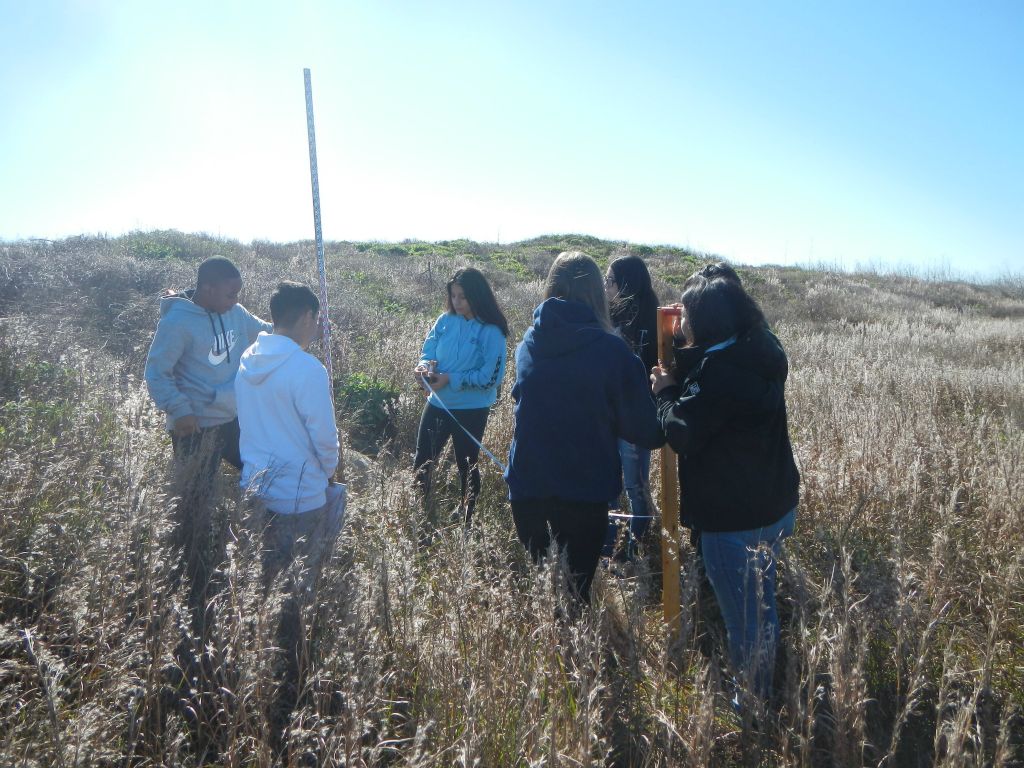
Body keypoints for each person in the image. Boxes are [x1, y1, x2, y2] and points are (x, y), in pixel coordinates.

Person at [650, 266, 800, 702]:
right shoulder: (760, 348)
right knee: (762, 601)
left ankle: (752, 704)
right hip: (774, 504)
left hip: (733, 520)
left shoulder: (720, 373)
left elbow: (682, 431)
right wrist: (686, 346)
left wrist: (664, 393)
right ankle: (764, 685)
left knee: (746, 620)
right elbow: (711, 380)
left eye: (690, 317)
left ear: (707, 322)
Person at [505, 252, 663, 601]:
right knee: (574, 600)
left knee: (549, 596)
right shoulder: (613, 351)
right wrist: (665, 395)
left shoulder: (527, 344)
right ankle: (572, 653)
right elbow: (648, 432)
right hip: (583, 493)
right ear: (596, 294)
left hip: (527, 489)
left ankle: (550, 652)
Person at [234, 281, 345, 740]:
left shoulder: (247, 360)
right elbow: (324, 439)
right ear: (304, 317)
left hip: (258, 488)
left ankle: (265, 646)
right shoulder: (306, 370)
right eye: (316, 319)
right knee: (303, 581)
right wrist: (330, 470)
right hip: (301, 493)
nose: (319, 327)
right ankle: (296, 664)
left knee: (269, 573)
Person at [144, 256, 271, 629]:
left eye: (238, 293)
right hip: (194, 428)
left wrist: (297, 327)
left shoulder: (235, 312)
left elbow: (262, 330)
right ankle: (190, 568)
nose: (236, 299)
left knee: (260, 471)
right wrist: (179, 410)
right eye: (231, 293)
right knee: (194, 500)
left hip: (233, 420)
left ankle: (255, 537)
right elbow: (157, 373)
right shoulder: (177, 322)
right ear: (207, 288)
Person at [412, 267, 509, 526]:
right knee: (423, 461)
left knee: (467, 466)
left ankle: (466, 521)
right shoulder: (444, 321)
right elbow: (428, 349)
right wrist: (423, 367)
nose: (456, 302)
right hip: (438, 403)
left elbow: (490, 378)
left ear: (478, 296)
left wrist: (450, 379)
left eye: (463, 297)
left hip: (471, 409)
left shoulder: (492, 332)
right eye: (453, 296)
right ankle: (421, 516)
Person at [603, 255, 660, 561]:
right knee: (609, 483)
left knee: (635, 484)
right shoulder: (605, 316)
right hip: (606, 414)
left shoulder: (651, 321)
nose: (606, 287)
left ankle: (636, 548)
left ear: (625, 283)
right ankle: (610, 549)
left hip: (635, 417)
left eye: (610, 281)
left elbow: (654, 369)